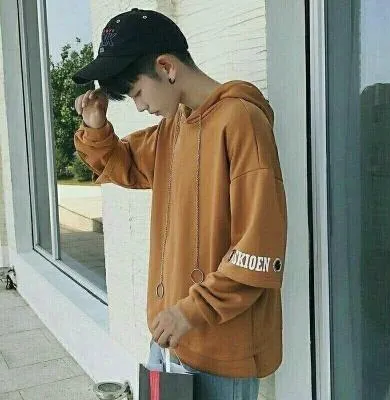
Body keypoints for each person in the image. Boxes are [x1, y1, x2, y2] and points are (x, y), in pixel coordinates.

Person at [72, 8, 287, 400]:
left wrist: (190, 311)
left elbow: (258, 249)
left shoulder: (241, 121)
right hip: (171, 340)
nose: (139, 106)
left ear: (166, 67)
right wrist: (96, 126)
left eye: (137, 93)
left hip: (220, 353)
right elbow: (125, 164)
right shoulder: (174, 127)